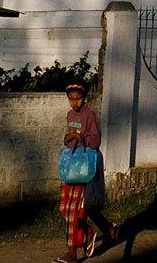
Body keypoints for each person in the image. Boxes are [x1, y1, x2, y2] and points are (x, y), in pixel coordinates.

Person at [56, 79, 117, 263]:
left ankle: (72, 254)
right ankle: (99, 230)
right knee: (65, 208)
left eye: (78, 99)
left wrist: (79, 137)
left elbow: (95, 141)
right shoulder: (69, 115)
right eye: (71, 99)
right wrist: (70, 136)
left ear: (84, 97)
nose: (74, 102)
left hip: (85, 166)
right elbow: (68, 139)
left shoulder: (89, 115)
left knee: (76, 210)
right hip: (71, 165)